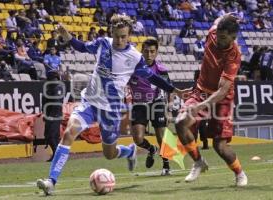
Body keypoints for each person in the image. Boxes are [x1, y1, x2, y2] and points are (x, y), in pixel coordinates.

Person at [36, 14, 187, 195]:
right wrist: (68, 36)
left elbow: (152, 77)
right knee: (68, 133)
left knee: (109, 154)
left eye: (123, 36)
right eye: (116, 36)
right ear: (111, 33)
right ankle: (51, 181)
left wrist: (173, 89)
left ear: (129, 35)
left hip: (111, 110)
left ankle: (129, 152)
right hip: (89, 103)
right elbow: (82, 47)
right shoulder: (103, 44)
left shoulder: (135, 57)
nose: (119, 40)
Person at [174, 14, 248, 186]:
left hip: (222, 99)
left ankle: (239, 173)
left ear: (233, 37)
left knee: (219, 146)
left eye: (224, 38)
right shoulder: (213, 32)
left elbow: (222, 91)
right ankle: (198, 162)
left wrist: (201, 105)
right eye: (218, 36)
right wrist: (226, 15)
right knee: (180, 122)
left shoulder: (233, 55)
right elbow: (217, 21)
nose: (219, 41)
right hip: (201, 91)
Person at [129, 38, 171, 176]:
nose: (149, 54)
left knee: (161, 135)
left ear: (156, 52)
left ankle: (166, 165)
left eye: (152, 51)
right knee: (138, 139)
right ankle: (152, 149)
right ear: (142, 51)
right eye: (146, 51)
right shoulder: (132, 68)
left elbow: (168, 90)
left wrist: (168, 110)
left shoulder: (161, 70)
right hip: (139, 105)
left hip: (156, 103)